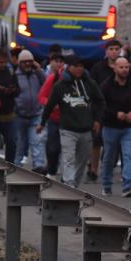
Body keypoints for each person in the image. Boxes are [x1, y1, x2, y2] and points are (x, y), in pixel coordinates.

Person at [38, 56, 104, 188]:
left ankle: (74, 186)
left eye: (81, 66)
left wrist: (97, 120)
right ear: (69, 67)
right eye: (75, 66)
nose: (79, 68)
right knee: (68, 159)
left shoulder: (89, 84)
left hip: (86, 129)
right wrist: (42, 122)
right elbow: (49, 105)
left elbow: (100, 101)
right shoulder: (60, 86)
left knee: (82, 160)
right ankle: (68, 185)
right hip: (67, 129)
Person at [99, 57, 131, 197]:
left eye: (127, 67)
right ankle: (106, 185)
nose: (124, 70)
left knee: (128, 156)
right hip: (111, 127)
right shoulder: (106, 86)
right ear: (114, 68)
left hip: (128, 127)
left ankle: (127, 186)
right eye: (121, 67)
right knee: (109, 157)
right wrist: (116, 114)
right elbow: (101, 106)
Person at [87, 39, 121, 181]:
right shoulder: (98, 67)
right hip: (100, 108)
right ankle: (93, 169)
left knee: (113, 142)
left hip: (117, 109)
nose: (114, 52)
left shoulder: (123, 66)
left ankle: (107, 168)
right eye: (111, 49)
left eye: (116, 49)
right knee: (96, 140)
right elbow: (91, 85)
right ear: (106, 51)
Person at [14, 49, 47, 172]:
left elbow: (46, 83)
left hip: (35, 115)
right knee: (20, 143)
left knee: (37, 141)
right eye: (24, 62)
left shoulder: (36, 75)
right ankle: (16, 166)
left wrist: (38, 69)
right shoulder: (15, 76)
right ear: (19, 63)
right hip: (19, 116)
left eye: (30, 62)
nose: (27, 64)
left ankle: (38, 166)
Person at [38, 52, 65, 177]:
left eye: (61, 62)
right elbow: (42, 96)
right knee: (53, 148)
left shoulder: (74, 80)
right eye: (56, 61)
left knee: (67, 149)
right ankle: (51, 170)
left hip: (69, 120)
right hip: (54, 118)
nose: (59, 64)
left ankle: (67, 177)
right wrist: (52, 104)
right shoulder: (52, 78)